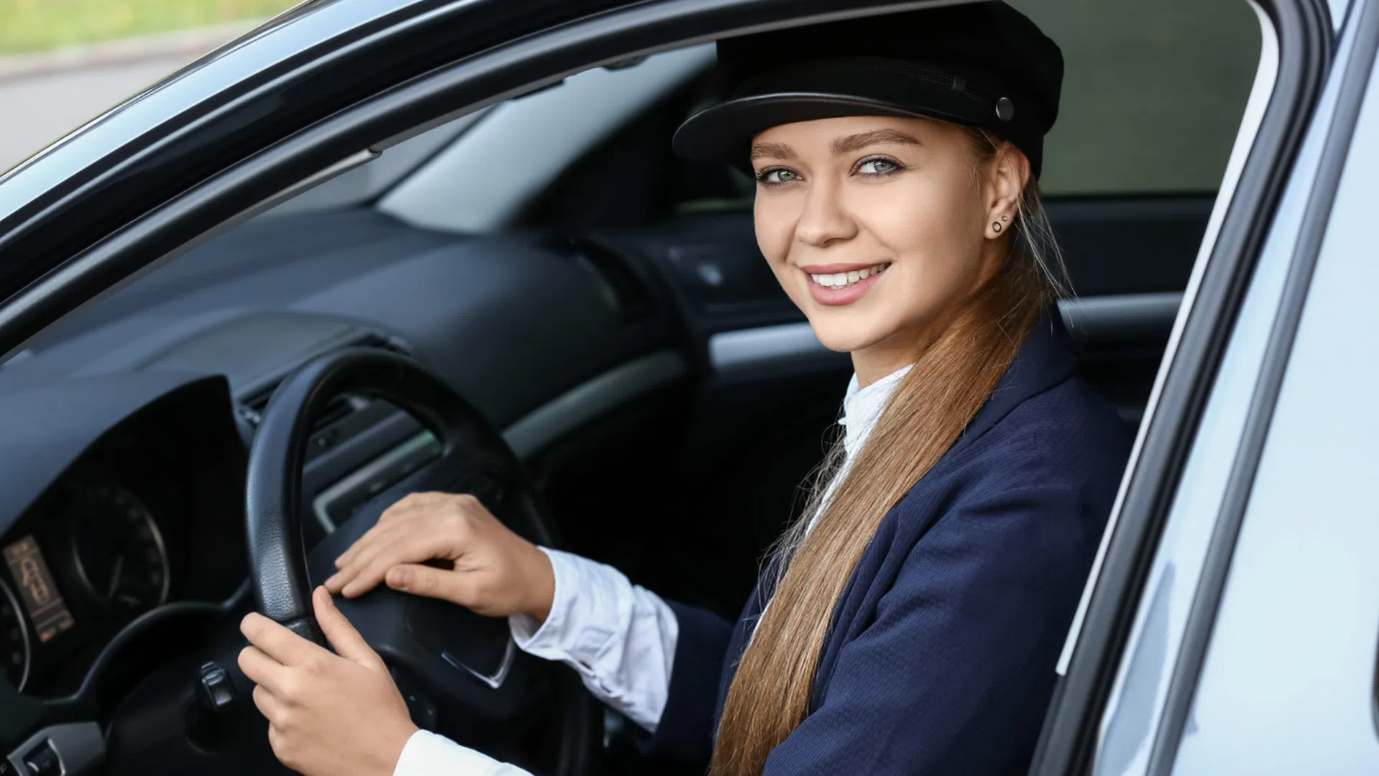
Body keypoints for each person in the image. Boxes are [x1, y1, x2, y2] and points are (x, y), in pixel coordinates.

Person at [236, 3, 1131, 774]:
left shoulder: (1026, 502)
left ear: (998, 188)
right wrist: (550, 589)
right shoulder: (934, 410)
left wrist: (396, 758)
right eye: (781, 173)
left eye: (875, 165)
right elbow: (784, 704)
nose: (814, 226)